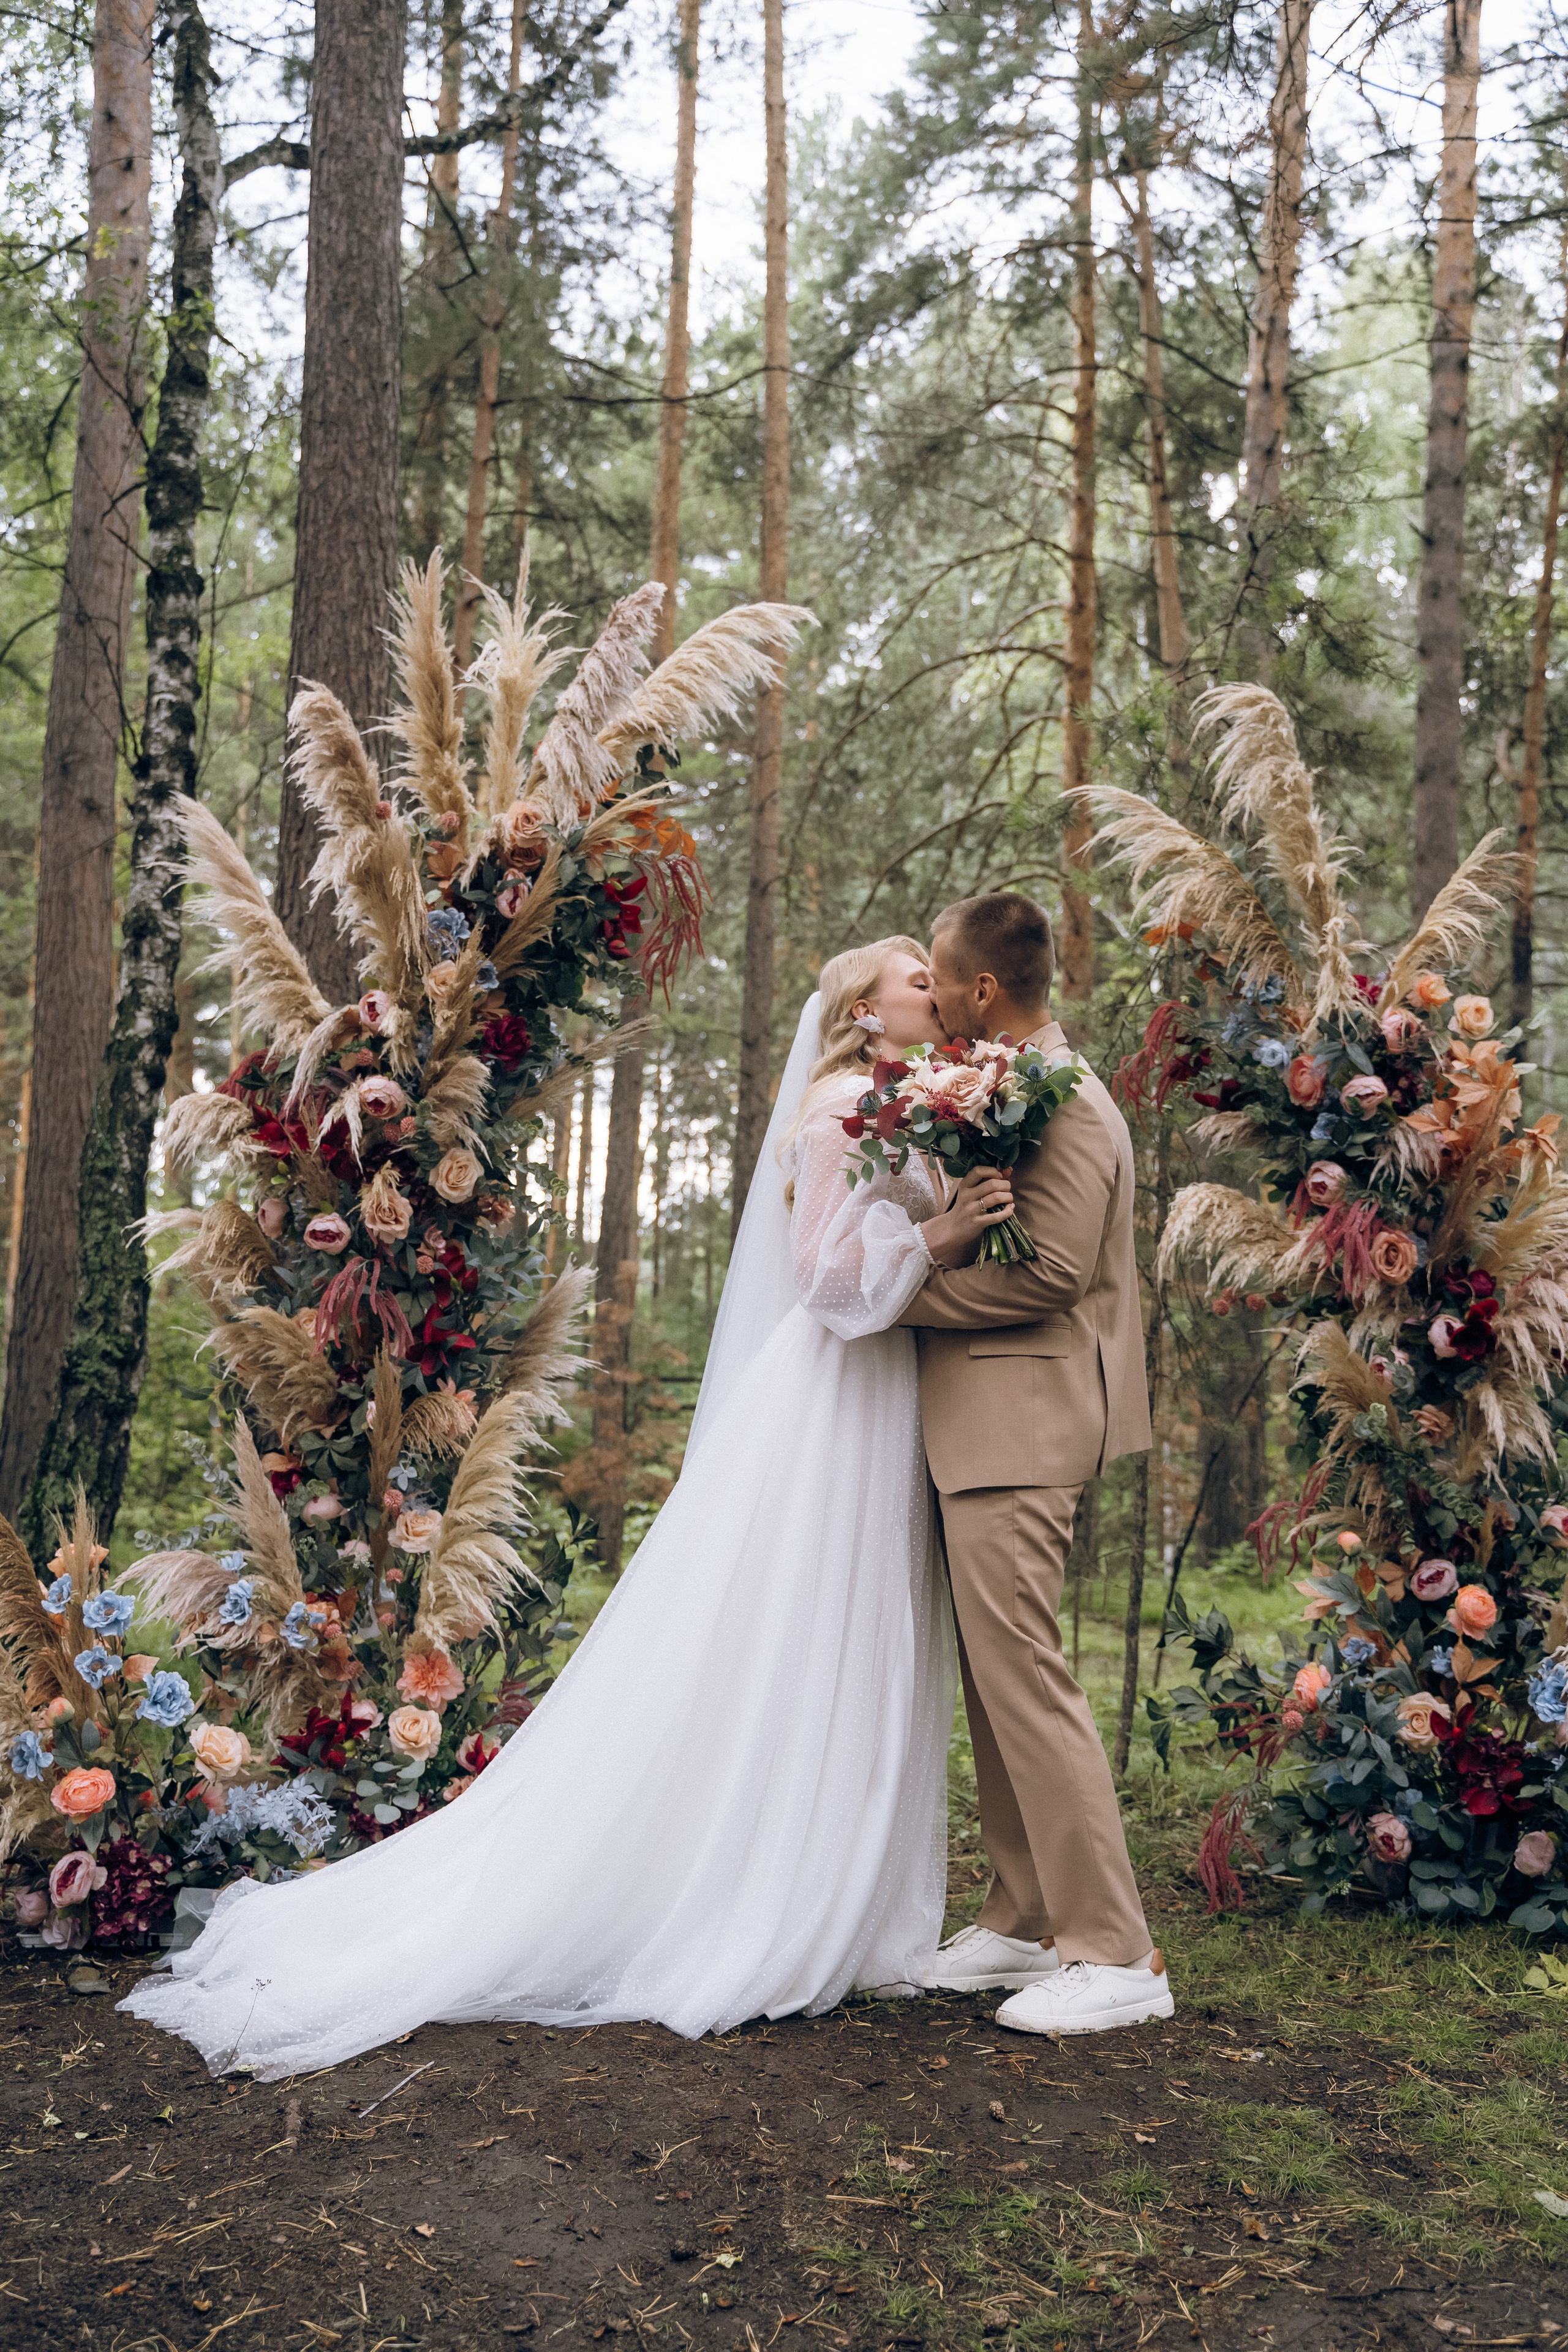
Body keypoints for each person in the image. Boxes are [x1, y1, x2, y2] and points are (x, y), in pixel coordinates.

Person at [121, 939, 1014, 2079]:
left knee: (850, 1627)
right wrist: (941, 1234)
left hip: (882, 1393)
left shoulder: (904, 1104)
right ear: (863, 1010)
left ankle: (835, 1883)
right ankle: (773, 1893)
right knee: (805, 1628)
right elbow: (829, 1283)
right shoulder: (844, 1106)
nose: (936, 985)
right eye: (915, 976)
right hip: (837, 1398)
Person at [899, 891, 1172, 2037]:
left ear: (983, 990)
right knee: (997, 1683)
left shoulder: (1066, 1102)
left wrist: (898, 1294)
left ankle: (1117, 1952)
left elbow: (1054, 1271)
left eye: (939, 975)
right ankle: (1021, 1918)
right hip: (988, 1425)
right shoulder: (1018, 1085)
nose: (931, 995)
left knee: (1030, 1683)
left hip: (1025, 1423)